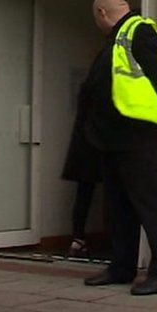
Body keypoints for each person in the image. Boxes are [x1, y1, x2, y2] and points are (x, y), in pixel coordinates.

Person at [82, 0, 157, 295]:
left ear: (101, 13)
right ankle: (121, 267)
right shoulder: (114, 40)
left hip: (141, 138)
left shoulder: (140, 31)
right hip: (114, 140)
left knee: (149, 206)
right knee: (119, 207)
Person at [60, 75, 101, 260]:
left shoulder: (86, 89)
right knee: (117, 195)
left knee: (83, 194)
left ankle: (78, 239)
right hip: (101, 145)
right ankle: (120, 244)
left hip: (84, 146)